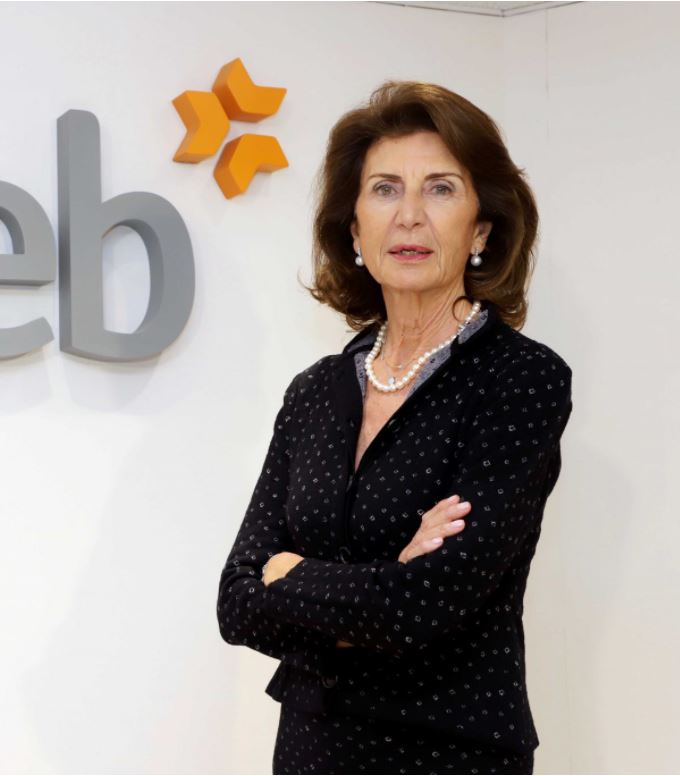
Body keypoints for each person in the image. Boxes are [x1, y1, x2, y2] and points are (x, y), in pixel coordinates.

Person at [215, 80, 574, 775]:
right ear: (353, 230)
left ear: (481, 228)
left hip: (449, 751)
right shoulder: (314, 392)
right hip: (312, 750)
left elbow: (423, 606)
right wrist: (382, 583)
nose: (409, 216)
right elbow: (236, 601)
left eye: (439, 189)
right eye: (384, 189)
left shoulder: (520, 379)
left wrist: (292, 575)